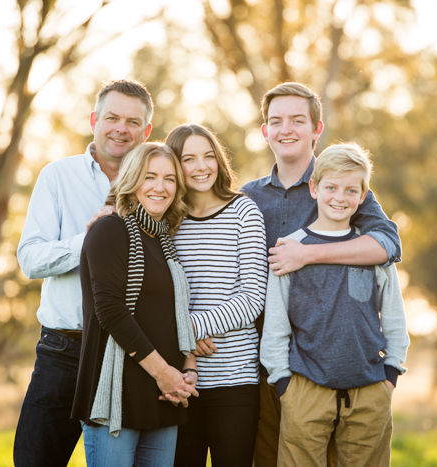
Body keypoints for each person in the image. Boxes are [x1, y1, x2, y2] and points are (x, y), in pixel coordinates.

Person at [240, 82, 403, 467]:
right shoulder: (248, 196)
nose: (286, 129)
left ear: (316, 128)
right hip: (267, 357)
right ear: (265, 132)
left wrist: (306, 254)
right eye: (276, 121)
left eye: (298, 120)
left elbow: (387, 246)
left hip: (333, 361)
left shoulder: (339, 181)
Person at [14, 80, 154, 466]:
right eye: (111, 118)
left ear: (146, 131)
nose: (120, 129)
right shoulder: (57, 176)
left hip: (130, 353)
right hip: (65, 350)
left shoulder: (158, 184)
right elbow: (30, 258)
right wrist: (89, 240)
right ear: (94, 120)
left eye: (132, 121)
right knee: (34, 459)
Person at [71, 142, 198, 467]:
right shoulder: (109, 229)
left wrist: (187, 368)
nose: (160, 187)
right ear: (131, 179)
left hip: (164, 396)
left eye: (170, 179)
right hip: (117, 394)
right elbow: (111, 311)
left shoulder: (164, 239)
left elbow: (174, 313)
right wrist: (164, 373)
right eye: (149, 176)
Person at [164, 124, 267, 467]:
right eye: (189, 158)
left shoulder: (244, 212)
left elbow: (252, 298)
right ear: (174, 165)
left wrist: (189, 327)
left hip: (235, 379)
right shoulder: (166, 220)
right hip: (177, 378)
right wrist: (183, 337)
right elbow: (156, 295)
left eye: (209, 156)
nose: (201, 166)